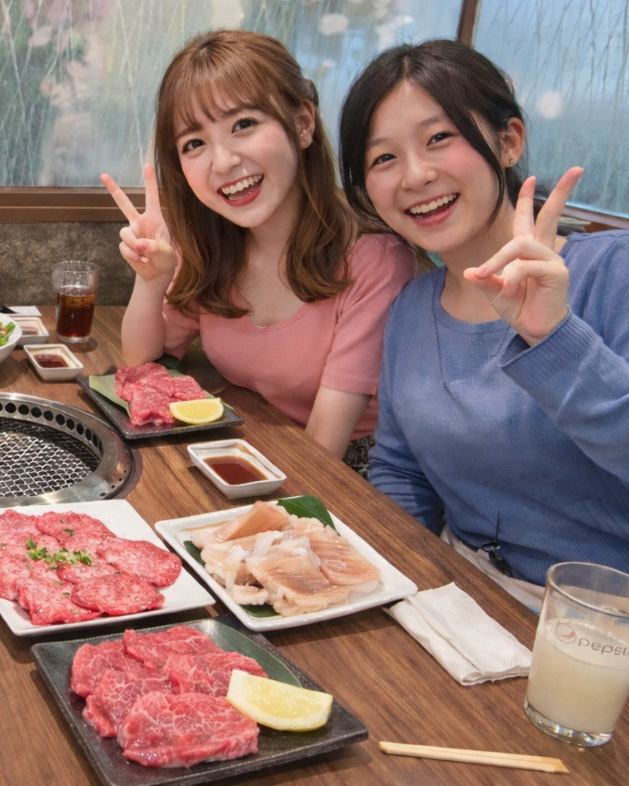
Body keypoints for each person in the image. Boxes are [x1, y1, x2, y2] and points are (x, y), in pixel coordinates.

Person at [338, 39, 629, 609]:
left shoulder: (612, 270)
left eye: (438, 138)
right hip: (466, 593)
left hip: (602, 620)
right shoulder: (411, 307)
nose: (415, 175)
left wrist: (554, 338)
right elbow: (402, 472)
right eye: (383, 159)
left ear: (508, 140)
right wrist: (385, 583)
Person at [104, 30, 414, 471]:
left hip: (349, 471)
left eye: (244, 125)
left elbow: (325, 447)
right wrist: (151, 281)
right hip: (253, 438)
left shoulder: (375, 259)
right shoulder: (211, 241)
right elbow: (142, 362)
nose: (224, 162)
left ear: (303, 123)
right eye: (195, 143)